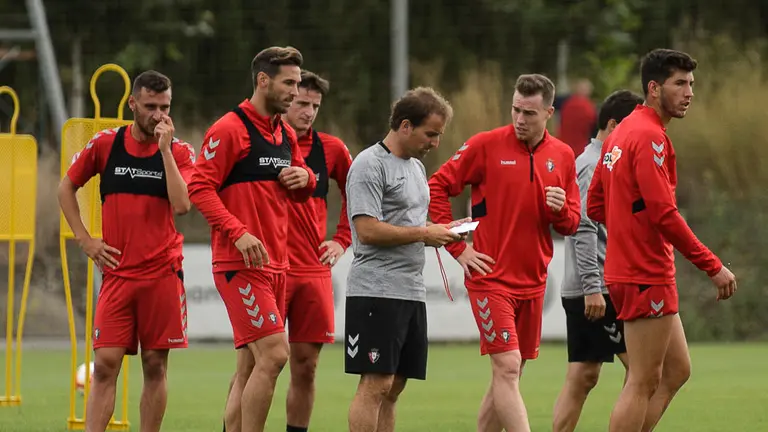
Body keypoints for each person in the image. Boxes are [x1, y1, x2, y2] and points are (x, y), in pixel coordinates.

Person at [586, 48, 737, 432]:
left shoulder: (618, 134)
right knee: (642, 380)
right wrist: (712, 266)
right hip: (644, 271)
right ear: (654, 88)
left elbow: (595, 205)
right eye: (679, 83)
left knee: (676, 371)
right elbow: (664, 214)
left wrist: (628, 226)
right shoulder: (651, 137)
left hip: (630, 269)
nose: (689, 92)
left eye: (691, 84)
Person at [428, 73, 581, 432]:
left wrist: (561, 210)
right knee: (508, 367)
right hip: (490, 277)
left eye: (529, 112)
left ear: (548, 112)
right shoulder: (485, 145)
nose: (520, 119)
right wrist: (457, 247)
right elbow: (436, 187)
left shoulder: (562, 155)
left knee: (510, 371)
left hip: (533, 281)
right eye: (515, 110)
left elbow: (572, 224)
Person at [187, 46, 316, 432]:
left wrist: (304, 179)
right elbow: (199, 188)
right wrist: (238, 232)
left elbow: (303, 183)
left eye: (298, 82)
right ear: (263, 80)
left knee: (248, 368)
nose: (296, 92)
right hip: (239, 264)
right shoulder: (229, 129)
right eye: (289, 82)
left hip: (277, 263)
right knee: (275, 356)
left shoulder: (285, 134)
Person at [58, 70, 194, 432]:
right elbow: (65, 189)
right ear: (133, 104)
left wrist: (164, 151)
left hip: (162, 275)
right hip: (118, 274)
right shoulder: (105, 144)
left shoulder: (178, 151)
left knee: (154, 364)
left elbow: (182, 205)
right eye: (150, 106)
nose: (159, 115)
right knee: (104, 364)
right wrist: (85, 239)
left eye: (165, 107)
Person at [344, 87, 466, 432]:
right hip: (376, 290)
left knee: (395, 386)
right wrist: (426, 234)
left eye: (439, 135)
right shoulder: (369, 164)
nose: (435, 143)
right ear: (405, 126)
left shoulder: (415, 168)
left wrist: (441, 230)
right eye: (431, 134)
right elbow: (367, 230)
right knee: (376, 383)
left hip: (410, 291)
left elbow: (408, 227)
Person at [552, 89, 644, 432]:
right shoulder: (591, 165)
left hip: (595, 285)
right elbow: (582, 228)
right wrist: (594, 288)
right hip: (596, 289)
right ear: (613, 124)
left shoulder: (604, 161)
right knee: (643, 373)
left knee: (583, 374)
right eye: (632, 127)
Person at [282, 70, 353, 432]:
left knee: (306, 366)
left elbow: (359, 194)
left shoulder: (332, 149)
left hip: (312, 270)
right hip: (269, 268)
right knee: (255, 363)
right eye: (301, 103)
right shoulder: (260, 143)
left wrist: (342, 239)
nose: (308, 112)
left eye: (315, 106)